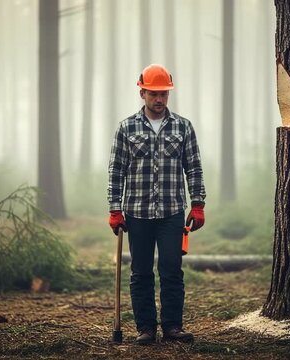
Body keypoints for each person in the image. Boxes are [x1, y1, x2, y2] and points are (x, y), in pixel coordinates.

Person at [107, 64, 206, 345]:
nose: (159, 99)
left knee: (172, 270)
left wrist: (197, 204)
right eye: (154, 94)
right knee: (140, 273)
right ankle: (146, 329)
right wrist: (115, 209)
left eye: (164, 94)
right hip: (136, 214)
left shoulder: (183, 126)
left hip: (171, 213)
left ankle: (173, 327)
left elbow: (194, 168)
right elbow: (116, 171)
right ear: (142, 92)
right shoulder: (126, 128)